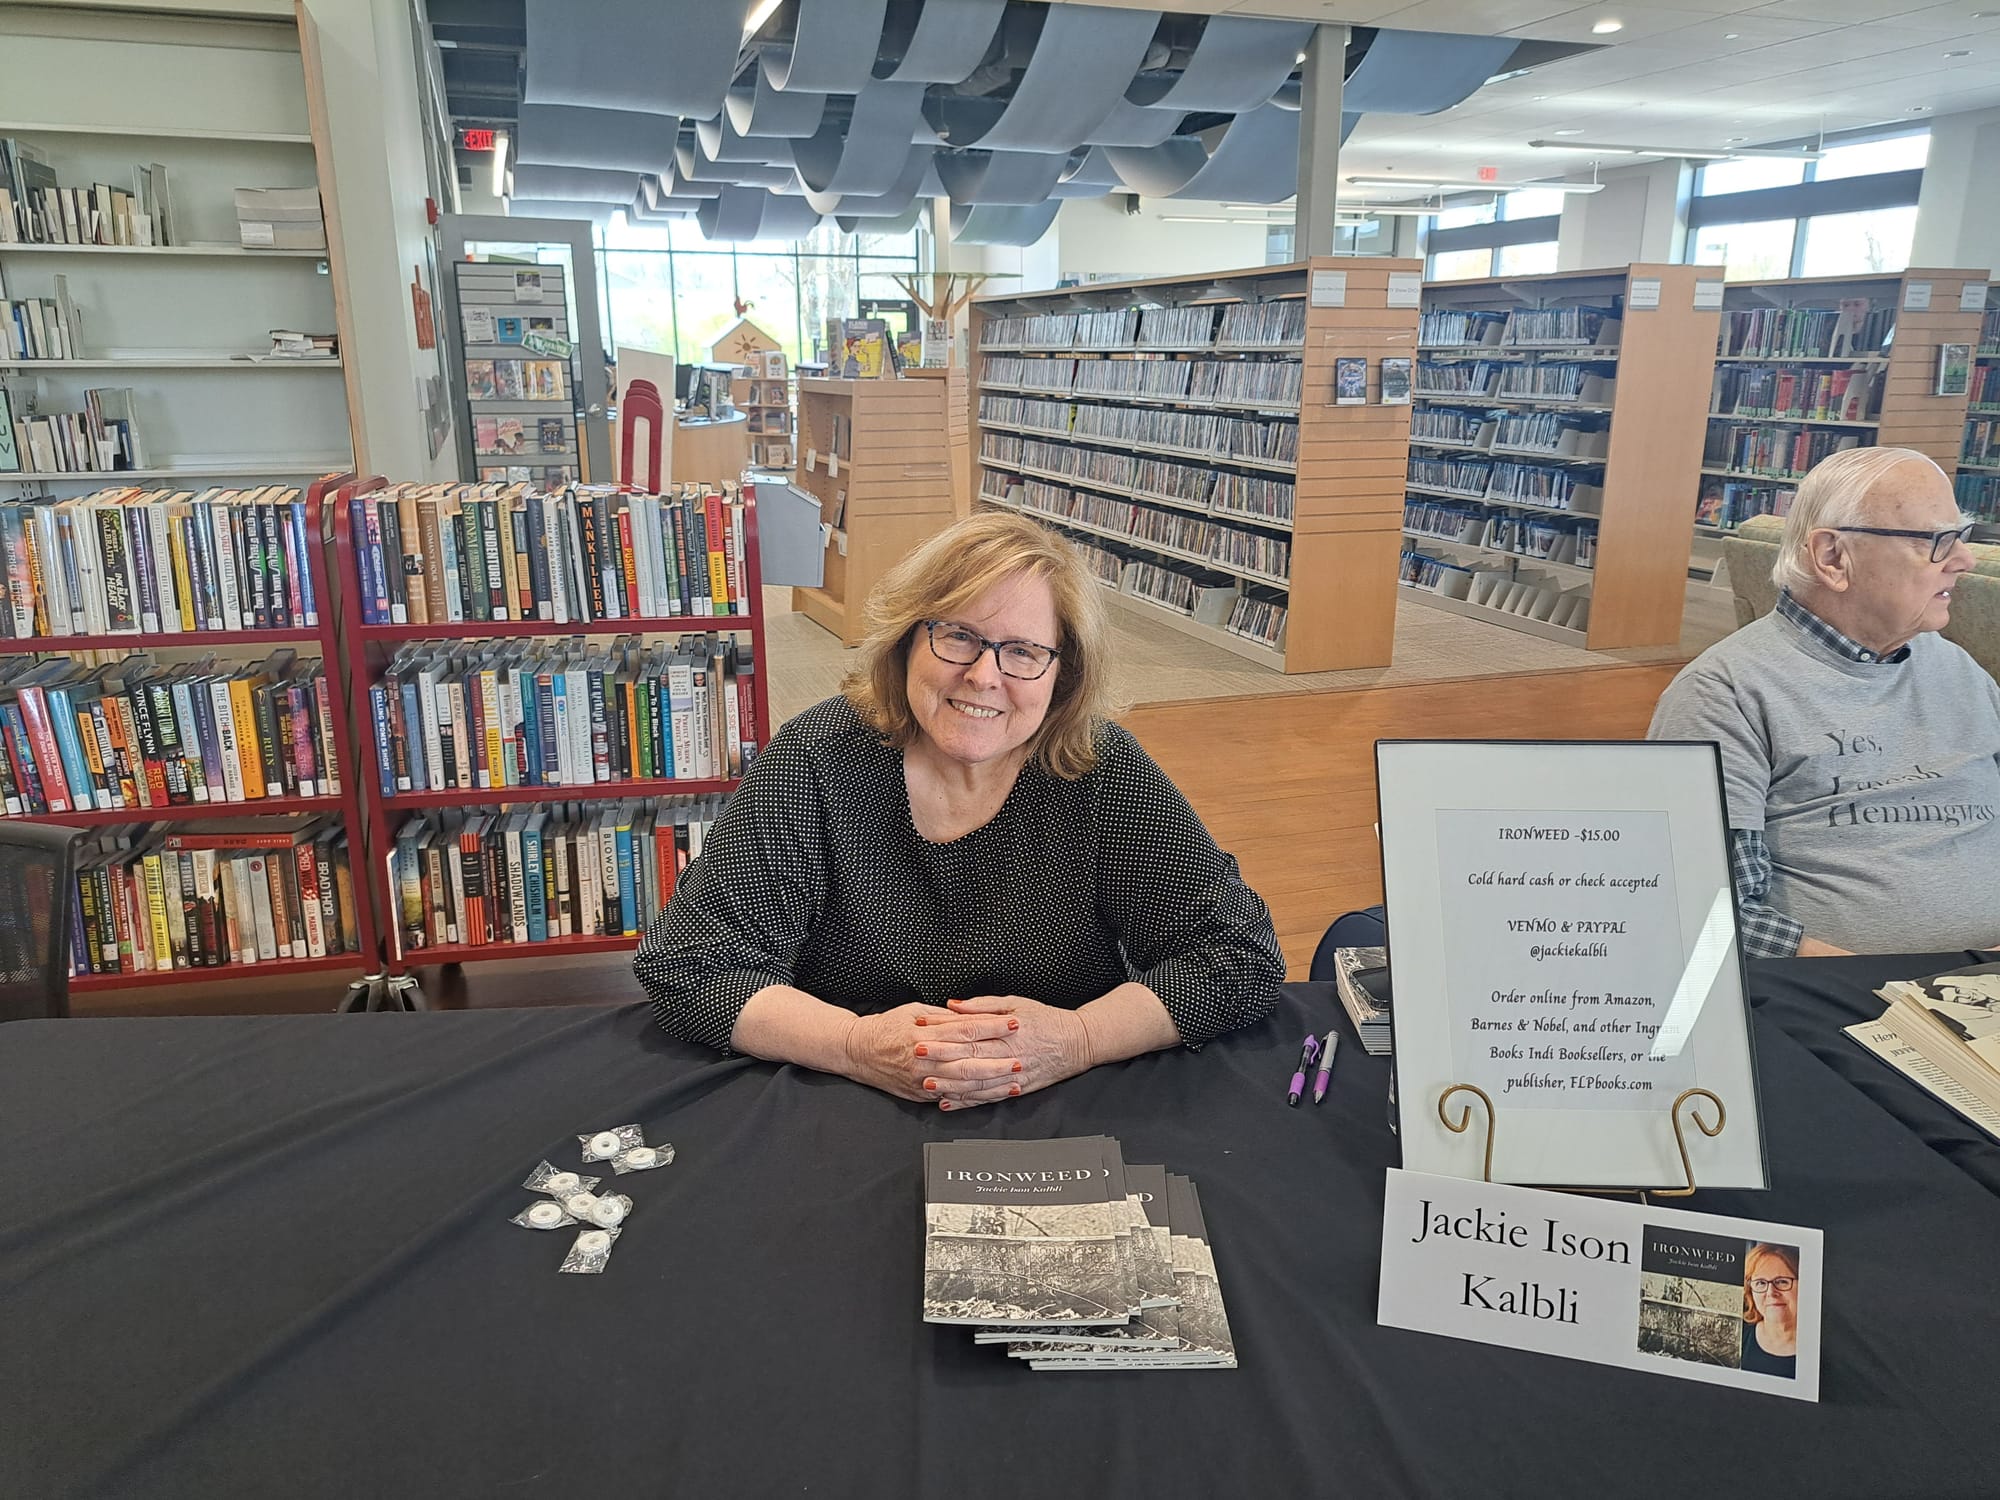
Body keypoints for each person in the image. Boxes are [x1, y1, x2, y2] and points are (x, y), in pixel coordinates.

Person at [634, 511, 1285, 1109]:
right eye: (959, 636)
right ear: (906, 641)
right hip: (844, 1091)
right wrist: (857, 1046)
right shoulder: (815, 758)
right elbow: (691, 966)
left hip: (1063, 1092)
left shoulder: (1099, 767)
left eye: (1023, 651)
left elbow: (1238, 956)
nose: (982, 676)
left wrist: (1080, 1038)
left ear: (1063, 674)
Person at [1649, 446, 2000, 957]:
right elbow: (1707, 908)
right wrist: (1883, 989)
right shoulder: (1724, 693)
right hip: (1847, 998)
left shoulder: (1957, 669)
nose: (1964, 562)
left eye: (1963, 537)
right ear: (1833, 557)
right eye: (1937, 541)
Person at [1740, 1243, 1801, 1378]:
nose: (1771, 1293)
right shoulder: (1737, 1337)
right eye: (1761, 1283)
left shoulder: (1822, 1349)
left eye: (1782, 1282)